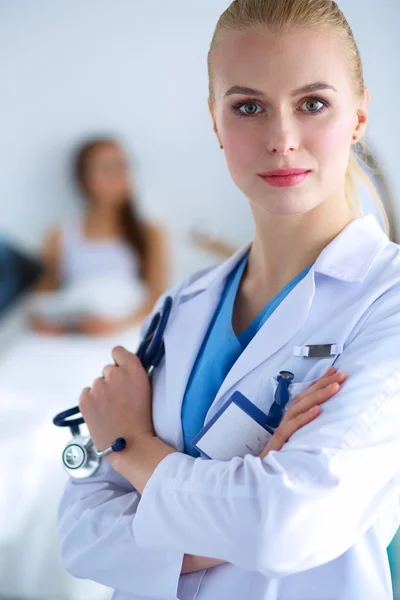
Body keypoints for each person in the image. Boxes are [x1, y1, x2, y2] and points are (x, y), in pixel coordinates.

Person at [57, 1, 400, 599]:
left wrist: (133, 448)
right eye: (248, 107)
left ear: (359, 115)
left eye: (312, 103)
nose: (282, 139)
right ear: (215, 123)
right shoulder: (181, 303)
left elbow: (285, 526)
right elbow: (79, 529)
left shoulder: (387, 304)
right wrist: (240, 500)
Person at [30, 138, 168, 336]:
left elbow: (157, 300)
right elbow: (43, 301)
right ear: (83, 179)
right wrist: (67, 325)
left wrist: (115, 326)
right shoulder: (59, 235)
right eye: (106, 168)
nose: (118, 175)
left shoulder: (149, 232)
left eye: (122, 166)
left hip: (126, 331)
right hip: (76, 335)